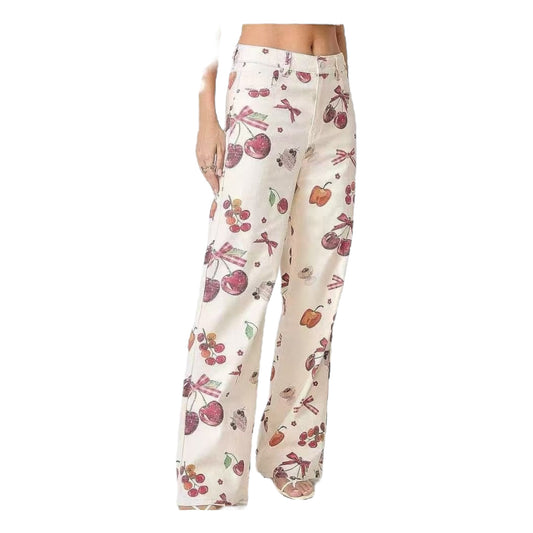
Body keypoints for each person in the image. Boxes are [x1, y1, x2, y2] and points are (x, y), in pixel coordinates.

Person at [176, 21, 357, 510]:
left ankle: (292, 452)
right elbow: (200, 19)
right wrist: (207, 116)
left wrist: (343, 80)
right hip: (266, 79)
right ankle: (209, 478)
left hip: (334, 84)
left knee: (317, 287)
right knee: (234, 289)